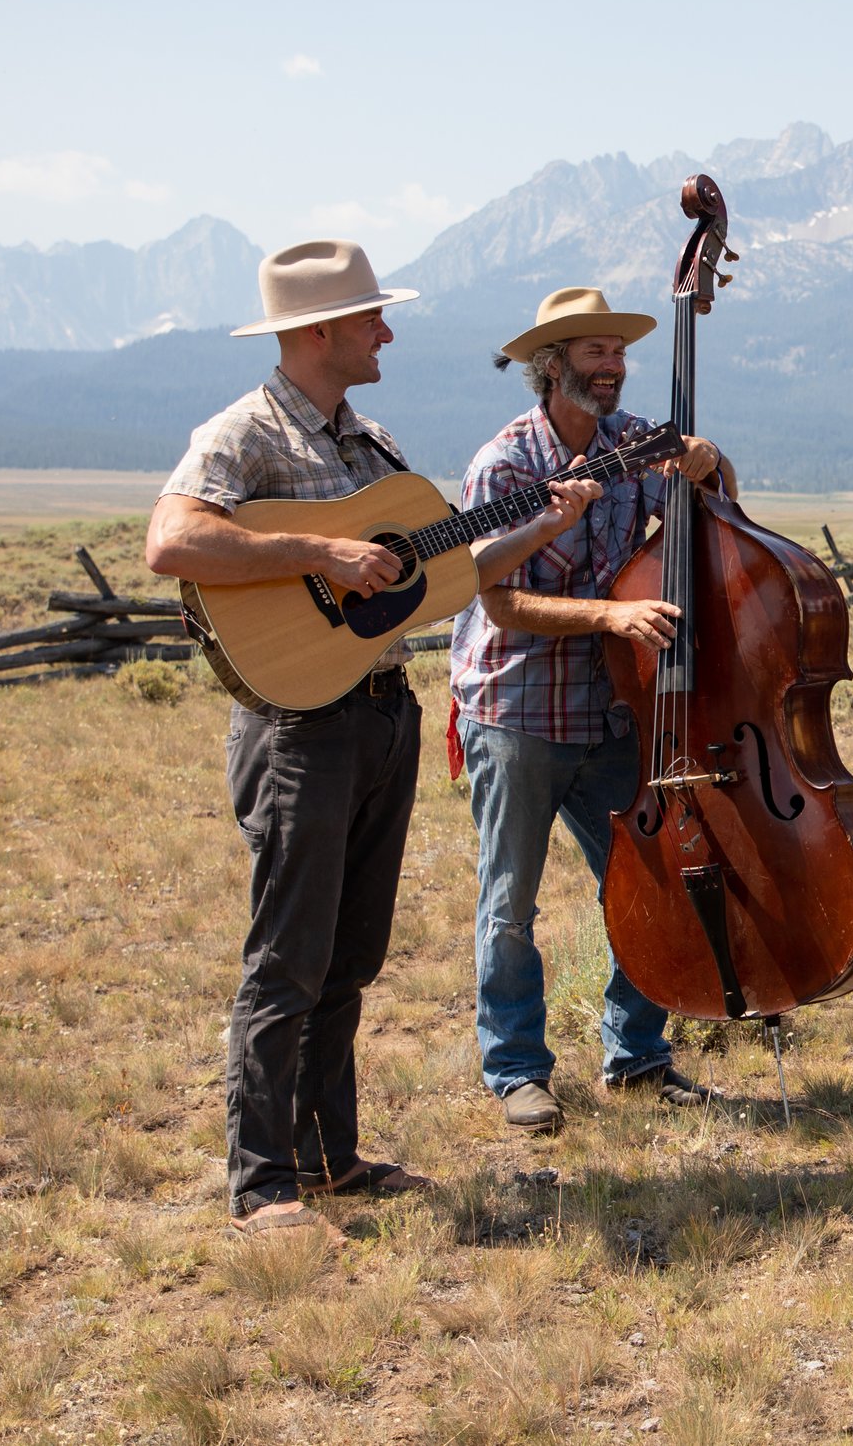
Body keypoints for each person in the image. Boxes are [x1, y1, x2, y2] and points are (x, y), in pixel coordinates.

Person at [144, 239, 605, 1237]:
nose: (386, 330)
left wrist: (545, 522)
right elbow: (170, 540)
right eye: (369, 317)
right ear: (316, 332)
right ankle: (260, 1178)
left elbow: (444, 569)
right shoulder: (244, 431)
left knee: (350, 953)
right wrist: (317, 549)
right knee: (287, 956)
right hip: (298, 725)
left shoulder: (374, 443)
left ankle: (329, 1158)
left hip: (380, 708)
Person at [450, 287, 730, 1129]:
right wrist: (611, 614)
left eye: (617, 352)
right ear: (553, 364)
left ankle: (637, 1053)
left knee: (648, 884)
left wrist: (709, 466)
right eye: (595, 353)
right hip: (518, 707)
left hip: (609, 706)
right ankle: (516, 1068)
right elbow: (497, 603)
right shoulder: (504, 465)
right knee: (511, 899)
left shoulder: (632, 444)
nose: (612, 366)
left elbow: (707, 502)